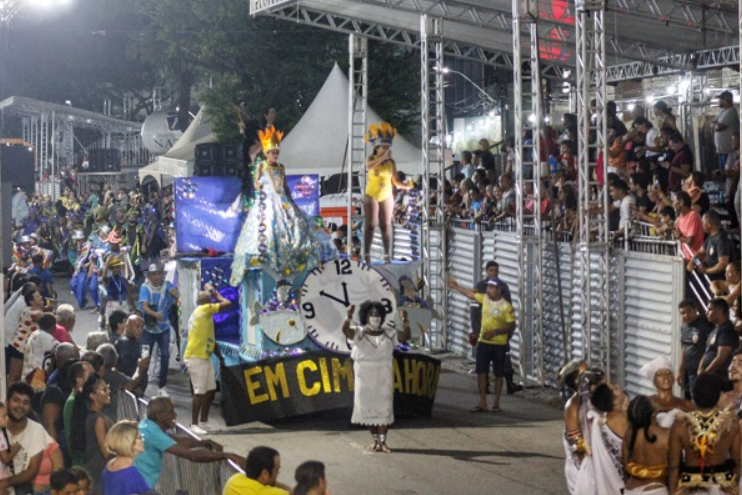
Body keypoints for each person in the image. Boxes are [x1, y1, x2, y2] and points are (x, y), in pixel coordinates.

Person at [230, 125, 337, 283]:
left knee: (294, 227)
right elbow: (256, 183)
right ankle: (266, 255)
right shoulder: (262, 165)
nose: (275, 154)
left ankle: (291, 256)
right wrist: (260, 186)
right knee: (267, 228)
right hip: (266, 201)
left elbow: (285, 185)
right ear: (267, 152)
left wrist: (292, 201)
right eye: (273, 152)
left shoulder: (281, 167)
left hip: (283, 201)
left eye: (277, 152)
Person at [341, 302, 410, 453]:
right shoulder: (359, 332)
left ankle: (383, 442)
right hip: (364, 376)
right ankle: (375, 439)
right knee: (366, 407)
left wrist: (405, 321)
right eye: (371, 314)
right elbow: (345, 330)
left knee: (384, 407)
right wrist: (348, 316)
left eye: (378, 314)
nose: (375, 317)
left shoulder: (388, 332)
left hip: (383, 375)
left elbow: (405, 336)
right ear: (365, 316)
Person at [134, 397, 244, 488]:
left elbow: (178, 441)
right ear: (159, 416)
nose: (175, 415)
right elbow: (192, 455)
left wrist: (204, 442)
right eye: (171, 412)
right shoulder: (153, 433)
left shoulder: (147, 425)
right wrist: (225, 455)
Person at [448, 277, 516, 413]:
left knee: (498, 374)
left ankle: (496, 403)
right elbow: (470, 294)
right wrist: (455, 286)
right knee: (481, 372)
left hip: (499, 344)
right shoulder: (484, 299)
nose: (488, 290)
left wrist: (496, 332)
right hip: (483, 343)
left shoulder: (506, 306)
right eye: (488, 287)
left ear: (499, 290)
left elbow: (511, 325)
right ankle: (482, 402)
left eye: (491, 287)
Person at [668, 373, 739, 494]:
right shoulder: (731, 424)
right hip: (721, 488)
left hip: (690, 488)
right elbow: (737, 461)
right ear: (718, 395)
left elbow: (674, 466)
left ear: (694, 396)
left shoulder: (680, 425)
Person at [183, 284, 230, 435]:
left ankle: (204, 422)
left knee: (210, 389)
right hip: (196, 357)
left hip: (203, 356)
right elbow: (227, 303)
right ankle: (194, 424)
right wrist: (217, 295)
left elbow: (211, 339)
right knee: (200, 391)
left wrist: (220, 358)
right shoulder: (203, 310)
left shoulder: (204, 316)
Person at [361, 122, 412, 264]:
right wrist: (383, 157)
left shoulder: (391, 163)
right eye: (384, 147)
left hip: (386, 194)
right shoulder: (370, 159)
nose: (386, 149)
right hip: (371, 194)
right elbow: (369, 166)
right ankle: (366, 254)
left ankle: (386, 254)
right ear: (377, 147)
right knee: (370, 225)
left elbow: (395, 181)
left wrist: (405, 186)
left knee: (386, 225)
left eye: (388, 147)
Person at [469, 261, 521, 394]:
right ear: (486, 271)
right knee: (483, 360)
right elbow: (474, 310)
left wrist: (509, 330)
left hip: (500, 329)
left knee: (505, 356)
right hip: (484, 328)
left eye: (496, 271)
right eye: (491, 271)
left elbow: (508, 307)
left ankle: (509, 383)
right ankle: (484, 386)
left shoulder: (503, 286)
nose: (494, 273)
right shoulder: (480, 286)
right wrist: (476, 330)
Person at [0, 383, 49, 494]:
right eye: (16, 400)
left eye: (25, 402)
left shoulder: (36, 429)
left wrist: (4, 483)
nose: (20, 406)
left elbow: (32, 471)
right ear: (7, 402)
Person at [138, 263, 178, 396]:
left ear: (162, 274)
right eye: (153, 274)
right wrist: (155, 314)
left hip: (164, 328)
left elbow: (174, 292)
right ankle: (140, 383)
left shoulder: (167, 286)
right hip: (148, 329)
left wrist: (177, 294)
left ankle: (162, 386)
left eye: (158, 274)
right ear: (149, 276)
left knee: (165, 356)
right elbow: (144, 306)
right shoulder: (145, 288)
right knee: (144, 356)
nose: (156, 277)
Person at [70, 375, 112, 495]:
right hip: (98, 472)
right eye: (104, 390)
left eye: (108, 388)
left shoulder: (93, 417)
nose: (109, 391)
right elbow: (105, 450)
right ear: (93, 396)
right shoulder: (98, 419)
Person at [621, 395, 669, 495]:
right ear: (653, 412)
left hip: (630, 489)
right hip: (656, 490)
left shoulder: (629, 434)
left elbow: (625, 467)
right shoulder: (666, 435)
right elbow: (675, 469)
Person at [589, 383, 629, 495]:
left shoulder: (603, 419)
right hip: (624, 481)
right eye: (615, 388)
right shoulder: (622, 418)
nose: (619, 386)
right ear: (614, 402)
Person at [558, 359, 590, 495]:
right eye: (587, 372)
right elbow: (576, 443)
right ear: (578, 382)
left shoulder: (597, 398)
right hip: (582, 470)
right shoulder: (573, 406)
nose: (592, 374)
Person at [640, 356, 691, 428]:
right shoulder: (647, 403)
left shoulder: (686, 404)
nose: (665, 377)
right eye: (659, 374)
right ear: (654, 380)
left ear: (673, 377)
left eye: (669, 373)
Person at [102, 421, 151, 495]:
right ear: (129, 442)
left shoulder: (110, 465)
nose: (142, 440)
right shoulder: (131, 473)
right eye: (139, 437)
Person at [9, 290, 46, 384]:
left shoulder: (38, 310)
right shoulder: (29, 311)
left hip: (26, 349)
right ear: (31, 301)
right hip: (18, 347)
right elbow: (43, 319)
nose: (41, 297)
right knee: (14, 376)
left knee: (21, 377)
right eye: (37, 297)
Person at [222, 446, 290, 495]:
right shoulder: (271, 493)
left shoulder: (234, 480)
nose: (278, 473)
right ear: (264, 474)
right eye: (276, 470)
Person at [64, 361, 94, 467]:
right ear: (79, 380)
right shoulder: (74, 402)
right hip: (81, 462)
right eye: (91, 375)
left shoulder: (83, 399)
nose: (95, 379)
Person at [700, 298, 739, 379]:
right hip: (708, 377)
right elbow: (707, 351)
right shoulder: (715, 329)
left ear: (720, 311)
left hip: (719, 378)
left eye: (710, 309)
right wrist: (700, 369)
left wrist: (705, 374)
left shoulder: (727, 330)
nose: (706, 312)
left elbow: (721, 358)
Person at [21, 313, 59, 382]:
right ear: (53, 326)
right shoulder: (45, 337)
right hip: (39, 373)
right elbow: (60, 349)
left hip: (29, 371)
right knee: (39, 392)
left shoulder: (35, 333)